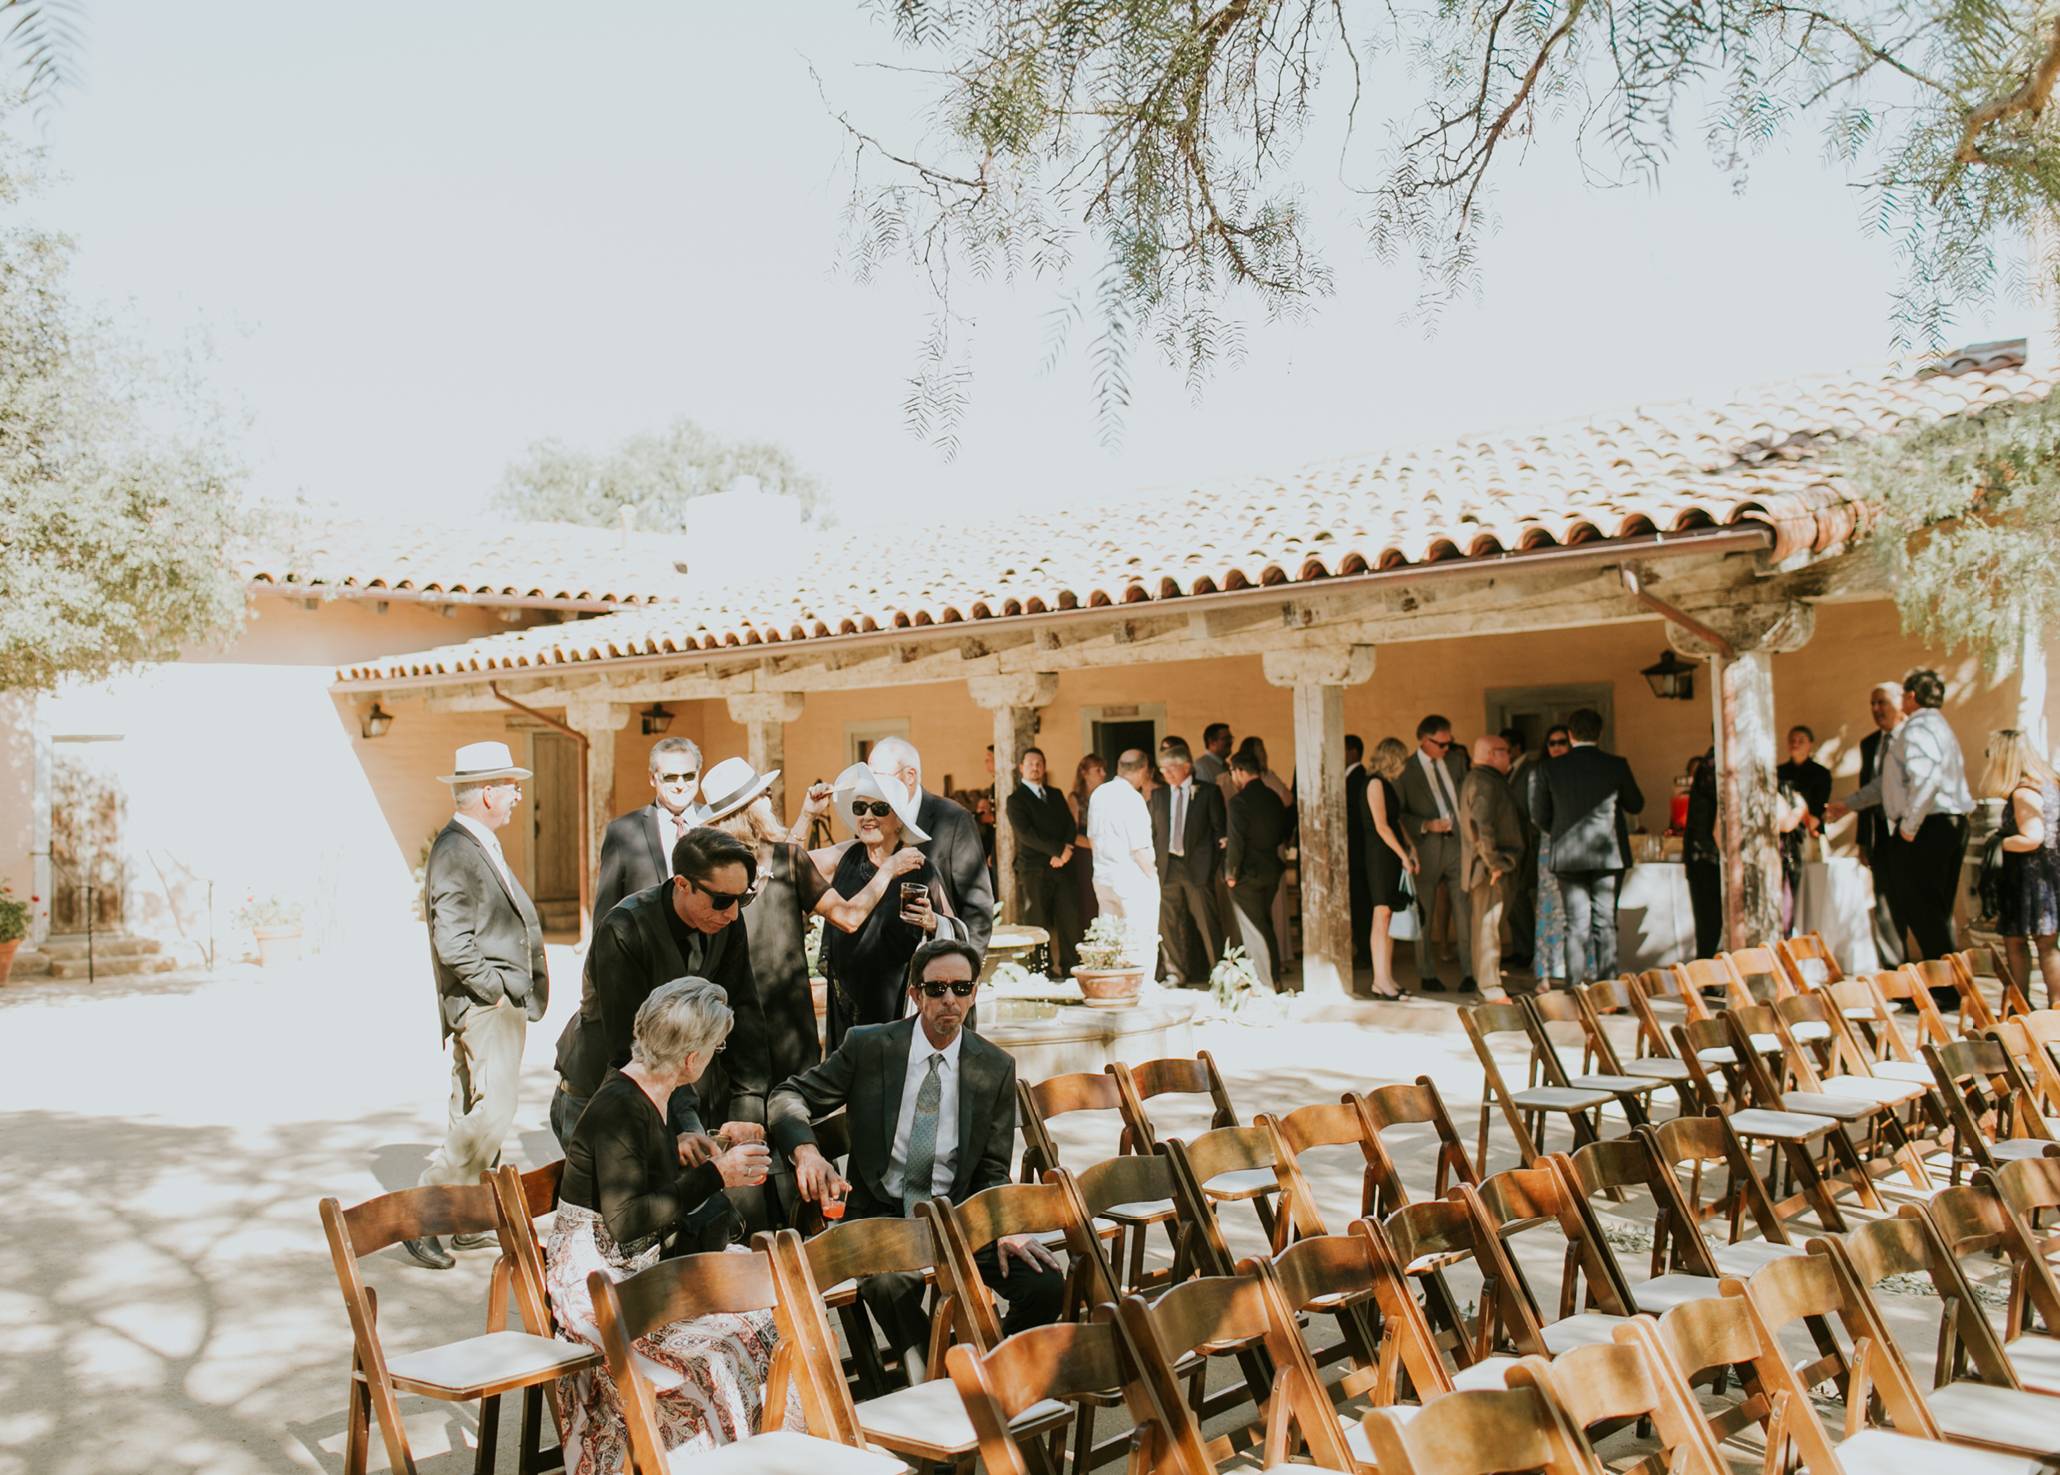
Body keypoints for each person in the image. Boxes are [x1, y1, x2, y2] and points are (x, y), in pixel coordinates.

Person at [771, 939, 1064, 1380]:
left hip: (957, 1216)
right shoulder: (870, 1046)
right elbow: (787, 1096)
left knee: (1044, 1284)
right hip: (881, 1217)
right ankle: (942, 1386)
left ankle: (989, 1372)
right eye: (937, 988)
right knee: (888, 1284)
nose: (950, 999)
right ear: (915, 994)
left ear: (974, 993)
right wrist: (807, 1151)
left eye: (962, 988)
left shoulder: (995, 1066)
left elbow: (991, 1170)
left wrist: (1005, 1225)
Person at [547, 979, 787, 1475]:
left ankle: (767, 1456)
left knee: (768, 1310)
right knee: (723, 1348)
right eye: (716, 1047)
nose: (715, 1058)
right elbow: (628, 1221)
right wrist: (716, 1176)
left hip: (636, 1266)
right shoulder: (620, 1106)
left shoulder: (648, 1093)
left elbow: (637, 1186)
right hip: (598, 1282)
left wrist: (689, 1152)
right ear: (690, 1059)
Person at [553, 827, 768, 1238]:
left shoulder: (727, 919)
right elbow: (633, 1049)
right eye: (723, 900)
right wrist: (684, 1122)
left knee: (696, 1224)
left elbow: (742, 1011)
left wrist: (747, 1106)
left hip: (664, 1090)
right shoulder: (624, 930)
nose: (734, 913)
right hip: (602, 1092)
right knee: (629, 1230)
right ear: (682, 884)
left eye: (743, 899)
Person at [412, 741, 550, 1270]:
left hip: (490, 1000)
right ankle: (421, 1215)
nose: (518, 795)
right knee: (493, 1111)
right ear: (487, 792)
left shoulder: (472, 841)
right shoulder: (456, 849)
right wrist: (495, 989)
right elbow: (453, 941)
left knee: (472, 1107)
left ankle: (468, 1224)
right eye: (511, 786)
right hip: (485, 1003)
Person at [1830, 668, 1973, 988]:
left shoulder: (1917, 729)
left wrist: (1908, 828)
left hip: (1928, 826)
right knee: (1935, 910)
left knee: (1921, 910)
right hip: (1947, 823)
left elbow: (1927, 781)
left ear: (1909, 697)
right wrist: (1848, 804)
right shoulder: (1937, 725)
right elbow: (1888, 784)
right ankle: (1951, 985)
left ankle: (1946, 988)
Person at [820, 761, 964, 1050]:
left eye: (880, 809)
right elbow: (785, 863)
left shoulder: (919, 869)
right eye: (860, 808)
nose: (868, 816)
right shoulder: (844, 857)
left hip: (896, 1007)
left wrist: (933, 922)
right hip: (846, 1002)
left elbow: (959, 942)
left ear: (899, 820)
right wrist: (808, 814)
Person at [1530, 708, 1643, 985]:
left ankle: (1575, 989)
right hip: (1608, 854)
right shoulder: (1616, 764)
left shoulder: (1550, 768)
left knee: (1575, 924)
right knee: (1605, 923)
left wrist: (1557, 833)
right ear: (1600, 733)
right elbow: (1636, 804)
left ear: (1570, 735)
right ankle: (1608, 989)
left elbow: (1538, 814)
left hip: (1567, 855)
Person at [868, 736, 995, 952]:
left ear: (910, 776)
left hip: (937, 960)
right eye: (871, 779)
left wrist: (966, 968)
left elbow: (977, 906)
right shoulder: (869, 819)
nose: (874, 788)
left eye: (881, 778)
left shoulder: (954, 820)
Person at [1397, 715, 1473, 992]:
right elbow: (1398, 814)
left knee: (1464, 912)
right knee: (1425, 915)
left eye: (1448, 743)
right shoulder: (1405, 769)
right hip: (1426, 848)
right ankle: (1426, 972)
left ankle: (1470, 973)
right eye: (1441, 744)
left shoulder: (1455, 761)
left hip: (1458, 845)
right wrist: (1425, 825)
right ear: (1424, 741)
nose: (1446, 748)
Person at [1984, 729, 2060, 1003]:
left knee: (2019, 941)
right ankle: (2051, 1010)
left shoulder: (2025, 791)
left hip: (2029, 876)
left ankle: (2022, 1010)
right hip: (2048, 872)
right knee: (2046, 943)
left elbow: (2032, 837)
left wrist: (1996, 842)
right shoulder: (2048, 781)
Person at [594, 737, 705, 924]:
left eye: (688, 776)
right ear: (652, 778)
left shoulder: (717, 822)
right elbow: (607, 909)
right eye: (670, 777)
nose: (680, 785)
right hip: (646, 948)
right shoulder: (622, 832)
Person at [1150, 735, 1228, 988]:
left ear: (1186, 767)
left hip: (1197, 868)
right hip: (1167, 866)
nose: (1166, 774)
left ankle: (1220, 972)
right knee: (1168, 921)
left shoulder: (1208, 793)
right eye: (1163, 769)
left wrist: (1211, 866)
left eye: (1171, 768)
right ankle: (1175, 973)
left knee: (1207, 921)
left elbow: (1219, 832)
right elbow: (1153, 831)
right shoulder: (1159, 795)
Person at [1004, 747, 1084, 975]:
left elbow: (1070, 825)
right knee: (1037, 923)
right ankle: (1041, 970)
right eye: (1030, 764)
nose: (1035, 768)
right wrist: (1057, 850)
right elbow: (1025, 833)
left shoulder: (1056, 794)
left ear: (1044, 767)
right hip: (1034, 869)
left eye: (1039, 763)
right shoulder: (1015, 800)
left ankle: (1071, 967)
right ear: (1021, 768)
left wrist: (1065, 851)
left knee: (1069, 919)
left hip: (1063, 867)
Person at [1458, 734, 1525, 1000]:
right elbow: (1480, 825)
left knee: (1488, 926)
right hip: (1489, 870)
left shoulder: (1485, 779)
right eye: (1505, 751)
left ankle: (1488, 983)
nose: (1510, 755)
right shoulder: (1484, 781)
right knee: (1487, 927)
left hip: (1491, 867)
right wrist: (1494, 862)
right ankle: (1490, 988)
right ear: (1490, 753)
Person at [1088, 750, 1161, 975]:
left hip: (1103, 877)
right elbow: (1139, 847)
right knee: (1140, 939)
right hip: (1131, 878)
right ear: (1141, 771)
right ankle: (1142, 987)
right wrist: (1153, 877)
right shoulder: (1133, 798)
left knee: (1110, 938)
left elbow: (1091, 837)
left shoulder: (1099, 793)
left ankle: (1112, 985)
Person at [1225, 750, 1293, 986]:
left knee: (1253, 930)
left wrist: (1230, 873)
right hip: (1271, 868)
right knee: (1265, 924)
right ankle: (1273, 980)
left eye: (1233, 772)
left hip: (1247, 872)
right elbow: (1284, 830)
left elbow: (1236, 841)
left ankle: (1264, 984)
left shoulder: (1239, 801)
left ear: (1240, 771)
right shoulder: (1274, 797)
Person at [1854, 682, 1907, 967]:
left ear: (1900, 704)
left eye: (1882, 702)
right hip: (1880, 836)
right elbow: (1866, 792)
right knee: (1885, 908)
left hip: (1911, 834)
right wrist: (1863, 841)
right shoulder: (1869, 744)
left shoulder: (1912, 738)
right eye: (1872, 704)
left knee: (1917, 906)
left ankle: (1938, 982)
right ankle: (1895, 975)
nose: (1876, 709)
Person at [1362, 738, 1418, 999]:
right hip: (1380, 855)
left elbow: (1396, 821)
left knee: (1391, 916)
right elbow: (1381, 825)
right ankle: (1379, 980)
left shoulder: (1388, 785)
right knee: (1381, 915)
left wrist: (1410, 848)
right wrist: (1402, 855)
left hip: (1393, 853)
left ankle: (1388, 978)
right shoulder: (1374, 783)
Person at [1525, 727, 1573, 985]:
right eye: (1551, 742)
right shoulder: (1539, 774)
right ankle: (1544, 972)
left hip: (1575, 846)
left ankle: (1574, 971)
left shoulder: (1577, 771)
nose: (1556, 747)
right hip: (1551, 845)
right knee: (1547, 908)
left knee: (1573, 909)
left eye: (1562, 742)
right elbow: (1536, 814)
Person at [1498, 729, 1537, 972]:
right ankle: (1521, 948)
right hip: (1512, 844)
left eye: (1505, 748)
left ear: (1517, 748)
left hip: (1529, 841)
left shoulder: (1531, 770)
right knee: (1512, 896)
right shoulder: (1505, 772)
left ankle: (1529, 949)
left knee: (1521, 894)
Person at [1683, 748, 1722, 960]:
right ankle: (1710, 978)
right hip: (1706, 854)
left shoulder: (1716, 763)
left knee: (1710, 921)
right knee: (1710, 921)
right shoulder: (1714, 766)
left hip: (1706, 853)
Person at [1345, 735, 1373, 967]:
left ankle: (1365, 951)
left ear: (1353, 752)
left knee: (1361, 903)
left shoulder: (1357, 779)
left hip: (1356, 851)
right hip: (1355, 852)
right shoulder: (1351, 777)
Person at [1067, 754, 1105, 928]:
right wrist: (1094, 845)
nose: (1103, 774)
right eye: (1098, 770)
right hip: (1084, 856)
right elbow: (1071, 834)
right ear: (1085, 774)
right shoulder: (1075, 799)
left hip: (1103, 854)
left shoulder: (1105, 796)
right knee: (1088, 898)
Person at [1195, 723, 1234, 788]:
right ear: (1212, 742)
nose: (1230, 742)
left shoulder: (1226, 765)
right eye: (1226, 739)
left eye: (1231, 738)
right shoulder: (1201, 767)